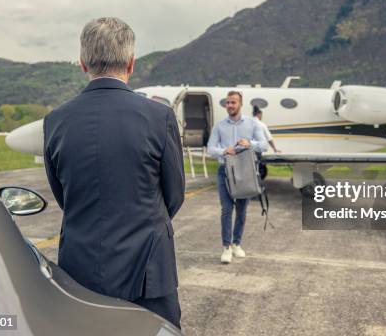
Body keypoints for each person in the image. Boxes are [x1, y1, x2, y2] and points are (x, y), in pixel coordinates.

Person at [43, 17, 184, 329]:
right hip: (149, 272)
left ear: (82, 63)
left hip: (79, 271)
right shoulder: (159, 117)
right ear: (132, 63)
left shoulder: (55, 121)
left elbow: (63, 195)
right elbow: (174, 194)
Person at [207, 91, 268, 264]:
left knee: (242, 210)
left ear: (240, 104)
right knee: (226, 209)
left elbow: (264, 145)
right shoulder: (219, 126)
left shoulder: (252, 123)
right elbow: (210, 148)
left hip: (245, 171)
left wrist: (251, 143)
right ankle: (226, 247)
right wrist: (224, 150)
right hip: (224, 170)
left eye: (233, 102)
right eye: (227, 103)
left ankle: (236, 243)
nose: (230, 106)